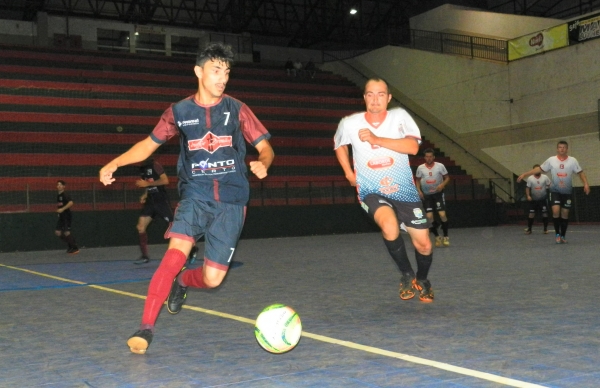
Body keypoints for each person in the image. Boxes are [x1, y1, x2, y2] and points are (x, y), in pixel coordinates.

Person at [99, 43, 274, 354]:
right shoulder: (178, 112)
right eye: (216, 71)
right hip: (195, 194)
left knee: (212, 279)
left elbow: (265, 146)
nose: (223, 78)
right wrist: (115, 162)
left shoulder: (238, 109)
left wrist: (264, 160)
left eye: (227, 72)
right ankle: (145, 329)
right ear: (199, 72)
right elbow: (147, 145)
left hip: (232, 201)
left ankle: (182, 283)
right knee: (175, 252)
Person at [334, 77, 434, 303]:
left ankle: (423, 279)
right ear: (364, 97)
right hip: (371, 190)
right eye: (370, 94)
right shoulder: (349, 123)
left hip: (404, 192)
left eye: (381, 94)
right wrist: (349, 174)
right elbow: (339, 144)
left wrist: (377, 139)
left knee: (424, 244)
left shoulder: (400, 117)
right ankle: (407, 275)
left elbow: (412, 146)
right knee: (389, 227)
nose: (375, 99)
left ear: (388, 98)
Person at [517, 140, 590, 244]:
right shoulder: (551, 160)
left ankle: (563, 235)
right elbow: (539, 169)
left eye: (564, 147)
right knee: (556, 212)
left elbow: (580, 173)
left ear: (567, 149)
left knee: (564, 214)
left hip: (567, 192)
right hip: (555, 191)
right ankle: (557, 234)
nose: (562, 149)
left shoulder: (573, 161)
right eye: (560, 147)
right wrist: (525, 174)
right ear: (557, 149)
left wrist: (586, 184)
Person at [133, 157, 173, 265]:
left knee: (174, 226)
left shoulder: (155, 165)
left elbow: (165, 180)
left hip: (161, 200)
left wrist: (148, 184)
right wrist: (145, 194)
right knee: (140, 227)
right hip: (150, 201)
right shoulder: (142, 169)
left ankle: (192, 249)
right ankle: (144, 256)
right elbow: (147, 183)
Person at [415, 148, 451, 247]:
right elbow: (417, 180)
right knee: (429, 217)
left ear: (434, 157)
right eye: (427, 156)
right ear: (424, 158)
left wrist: (442, 185)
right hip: (427, 195)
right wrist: (419, 191)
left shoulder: (440, 166)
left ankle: (446, 236)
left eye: (431, 156)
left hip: (438, 194)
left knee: (442, 215)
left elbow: (447, 178)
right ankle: (437, 236)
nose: (429, 158)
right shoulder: (420, 168)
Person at [523, 164, 551, 235]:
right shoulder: (530, 178)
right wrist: (528, 196)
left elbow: (549, 185)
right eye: (535, 169)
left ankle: (545, 229)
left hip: (543, 199)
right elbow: (527, 188)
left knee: (545, 214)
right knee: (531, 214)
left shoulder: (545, 177)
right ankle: (529, 229)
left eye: (538, 169)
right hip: (533, 200)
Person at [55, 180, 79, 254]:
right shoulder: (58, 196)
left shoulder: (65, 194)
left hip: (66, 216)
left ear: (64, 187)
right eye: (58, 184)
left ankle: (75, 248)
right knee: (58, 232)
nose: (59, 186)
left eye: (60, 185)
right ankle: (70, 245)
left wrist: (62, 209)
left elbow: (71, 202)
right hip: (61, 216)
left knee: (66, 232)